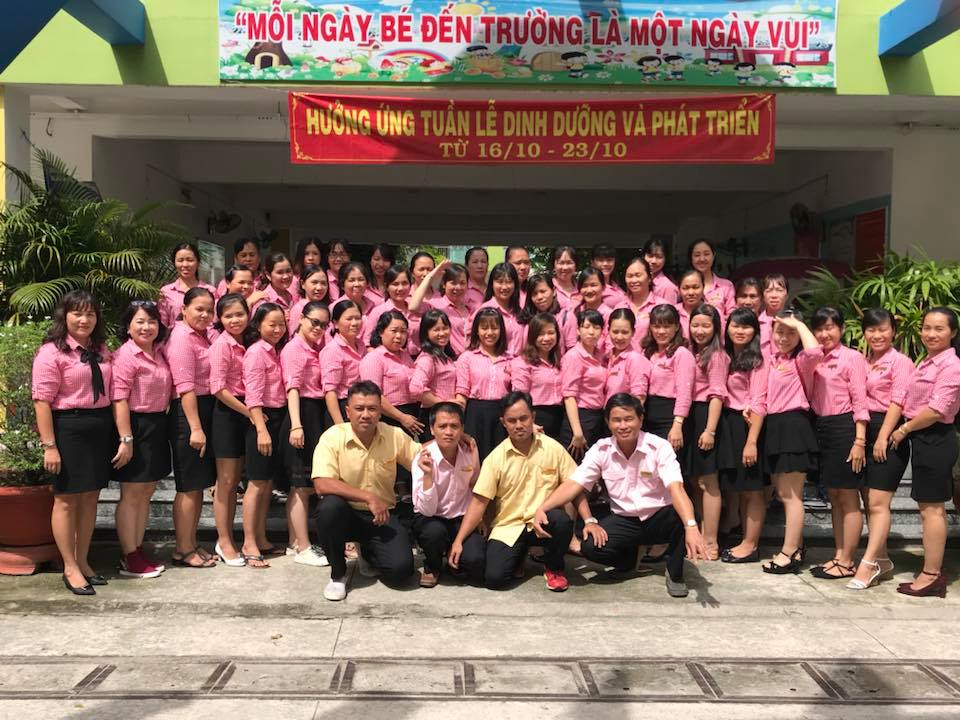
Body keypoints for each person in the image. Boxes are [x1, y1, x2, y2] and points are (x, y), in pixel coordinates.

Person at [536, 394, 710, 597]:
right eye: (617, 420)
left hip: (660, 516)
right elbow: (575, 484)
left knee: (685, 518)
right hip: (625, 520)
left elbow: (676, 488)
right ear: (608, 422)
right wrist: (543, 508)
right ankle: (628, 562)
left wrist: (691, 526)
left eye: (629, 419)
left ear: (641, 419)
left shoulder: (659, 447)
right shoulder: (601, 449)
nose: (623, 426)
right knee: (590, 546)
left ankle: (675, 573)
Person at [450, 391, 579, 591]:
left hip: (542, 521)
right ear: (503, 422)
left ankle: (554, 567)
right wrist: (458, 540)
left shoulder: (552, 448)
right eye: (512, 420)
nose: (519, 425)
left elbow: (575, 484)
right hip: (509, 526)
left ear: (533, 417)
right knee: (494, 579)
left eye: (523, 418)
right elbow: (478, 503)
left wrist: (589, 521)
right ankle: (518, 556)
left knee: (561, 521)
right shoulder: (495, 458)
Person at [33, 290, 117, 595]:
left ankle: (83, 560)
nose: (84, 320)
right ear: (64, 316)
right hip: (68, 429)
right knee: (67, 499)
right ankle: (69, 566)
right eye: (77, 313)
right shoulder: (51, 353)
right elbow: (41, 401)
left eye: (90, 313)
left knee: (91, 497)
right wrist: (49, 446)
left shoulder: (102, 350)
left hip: (100, 427)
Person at [312, 381, 423, 601]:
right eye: (359, 408)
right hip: (347, 514)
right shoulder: (332, 437)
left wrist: (457, 440)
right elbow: (321, 483)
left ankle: (369, 552)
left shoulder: (394, 435)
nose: (365, 415)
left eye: (372, 409)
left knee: (401, 573)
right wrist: (368, 496)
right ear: (348, 411)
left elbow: (421, 456)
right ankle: (338, 574)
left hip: (381, 516)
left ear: (380, 411)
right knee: (329, 508)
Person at [890, 307, 960, 598]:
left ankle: (932, 574)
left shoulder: (951, 365)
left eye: (939, 328)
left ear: (953, 332)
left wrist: (904, 429)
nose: (931, 333)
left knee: (932, 510)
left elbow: (937, 410)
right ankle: (931, 571)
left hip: (936, 438)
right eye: (927, 327)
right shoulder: (929, 362)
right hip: (925, 439)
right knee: (926, 508)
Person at [798, 307, 869, 580]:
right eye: (819, 328)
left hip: (845, 428)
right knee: (835, 497)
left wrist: (859, 440)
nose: (824, 334)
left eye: (830, 327)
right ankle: (839, 555)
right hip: (821, 427)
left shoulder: (852, 357)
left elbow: (859, 399)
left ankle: (848, 560)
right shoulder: (812, 358)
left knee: (848, 497)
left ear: (841, 329)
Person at [847, 309, 914, 589]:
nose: (877, 335)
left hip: (889, 431)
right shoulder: (862, 361)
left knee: (877, 503)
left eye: (883, 329)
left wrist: (883, 436)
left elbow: (898, 401)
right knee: (868, 501)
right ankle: (882, 559)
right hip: (865, 429)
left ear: (893, 332)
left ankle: (868, 564)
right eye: (871, 330)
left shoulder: (901, 362)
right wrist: (862, 438)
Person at [111, 300, 172, 579]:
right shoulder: (126, 356)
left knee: (146, 491)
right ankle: (129, 555)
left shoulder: (159, 352)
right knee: (132, 493)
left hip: (157, 424)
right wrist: (126, 439)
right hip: (135, 425)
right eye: (140, 321)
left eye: (152, 321)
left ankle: (137, 548)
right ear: (128, 326)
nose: (147, 327)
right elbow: (119, 399)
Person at [761, 311, 819, 574]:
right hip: (774, 427)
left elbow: (815, 351)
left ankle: (789, 552)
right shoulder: (773, 359)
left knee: (791, 495)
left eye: (790, 333)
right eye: (779, 332)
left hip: (793, 426)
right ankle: (797, 547)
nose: (783, 338)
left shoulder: (801, 361)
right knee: (783, 493)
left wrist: (798, 323)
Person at [166, 286, 219, 568]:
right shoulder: (181, 338)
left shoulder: (204, 336)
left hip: (204, 409)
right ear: (184, 309)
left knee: (198, 485)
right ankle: (183, 548)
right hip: (188, 413)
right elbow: (184, 387)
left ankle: (191, 542)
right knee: (188, 486)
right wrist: (195, 428)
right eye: (199, 309)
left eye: (209, 310)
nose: (205, 315)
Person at [411, 402, 485, 587]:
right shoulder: (423, 457)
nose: (449, 432)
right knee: (433, 534)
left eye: (454, 426)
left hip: (460, 516)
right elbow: (427, 510)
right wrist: (428, 475)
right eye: (442, 426)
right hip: (431, 517)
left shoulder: (470, 451)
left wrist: (479, 518)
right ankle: (432, 566)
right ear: (432, 429)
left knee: (476, 562)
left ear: (462, 429)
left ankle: (454, 563)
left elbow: (474, 485)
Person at [281, 300, 331, 569]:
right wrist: (297, 425)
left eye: (324, 325)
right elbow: (293, 389)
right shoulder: (294, 349)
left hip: (314, 414)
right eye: (315, 322)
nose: (319, 328)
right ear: (301, 318)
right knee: (300, 485)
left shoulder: (316, 348)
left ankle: (294, 542)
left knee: (304, 485)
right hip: (302, 414)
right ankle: (302, 546)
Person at [717, 308, 769, 564]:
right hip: (727, 423)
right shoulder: (725, 355)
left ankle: (750, 544)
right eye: (735, 325)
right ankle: (742, 537)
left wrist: (751, 442)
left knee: (752, 490)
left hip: (747, 426)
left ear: (755, 331)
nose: (740, 331)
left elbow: (759, 402)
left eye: (746, 326)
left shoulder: (757, 360)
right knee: (737, 487)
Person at [240, 303, 289, 568]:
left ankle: (260, 537)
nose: (277, 329)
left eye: (281, 324)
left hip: (277, 417)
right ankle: (248, 543)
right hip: (262, 420)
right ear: (258, 326)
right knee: (256, 483)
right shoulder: (256, 352)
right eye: (272, 324)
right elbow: (253, 396)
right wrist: (261, 429)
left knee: (267, 482)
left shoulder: (277, 351)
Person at [360, 311, 423, 504]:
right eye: (394, 331)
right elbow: (374, 395)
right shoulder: (374, 358)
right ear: (381, 332)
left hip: (410, 413)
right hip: (389, 416)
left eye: (403, 331)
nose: (399, 336)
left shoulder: (405, 356)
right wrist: (401, 417)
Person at [208, 293, 252, 567]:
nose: (235, 320)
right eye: (228, 316)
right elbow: (218, 388)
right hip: (228, 413)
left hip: (247, 410)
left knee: (235, 481)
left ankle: (230, 538)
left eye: (239, 314)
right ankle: (223, 540)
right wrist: (249, 412)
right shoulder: (221, 345)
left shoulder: (248, 342)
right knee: (225, 483)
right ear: (220, 319)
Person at [684, 304, 728, 560]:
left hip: (706, 416)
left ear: (716, 328)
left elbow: (717, 394)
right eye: (695, 325)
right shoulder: (690, 351)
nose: (699, 331)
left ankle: (711, 540)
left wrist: (710, 430)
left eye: (706, 326)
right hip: (690, 415)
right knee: (694, 480)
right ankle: (700, 534)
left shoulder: (717, 355)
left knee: (709, 481)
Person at [455, 308, 512, 461]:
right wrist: (458, 425)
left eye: (494, 328)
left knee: (501, 460)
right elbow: (461, 394)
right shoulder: (467, 358)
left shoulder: (510, 359)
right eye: (484, 328)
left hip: (502, 415)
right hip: (475, 414)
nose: (489, 332)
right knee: (475, 460)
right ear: (476, 330)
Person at [641, 304, 695, 456]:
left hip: (669, 417)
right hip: (647, 415)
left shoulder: (681, 354)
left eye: (666, 326)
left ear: (676, 327)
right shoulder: (647, 352)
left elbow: (684, 392)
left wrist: (677, 425)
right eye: (656, 326)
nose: (661, 331)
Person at [560, 309, 609, 459]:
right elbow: (569, 396)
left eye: (596, 327)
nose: (591, 332)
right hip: (580, 418)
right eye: (586, 327)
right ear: (578, 330)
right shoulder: (574, 356)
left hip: (597, 417)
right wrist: (577, 432)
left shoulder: (600, 355)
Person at [511, 313, 564, 438]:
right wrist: (529, 424)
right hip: (536, 417)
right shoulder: (523, 362)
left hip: (560, 418)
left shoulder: (559, 361)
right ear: (533, 336)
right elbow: (520, 397)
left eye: (551, 333)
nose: (546, 338)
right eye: (541, 334)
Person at [411, 310, 458, 436]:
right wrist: (442, 403)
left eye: (445, 328)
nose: (442, 333)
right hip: (433, 415)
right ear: (426, 333)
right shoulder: (427, 358)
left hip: (447, 414)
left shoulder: (446, 356)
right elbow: (416, 388)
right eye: (436, 330)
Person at [319, 299, 364, 426]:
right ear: (336, 323)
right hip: (342, 408)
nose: (354, 323)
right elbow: (330, 391)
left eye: (358, 318)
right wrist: (340, 424)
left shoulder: (361, 345)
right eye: (349, 319)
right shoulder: (333, 350)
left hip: (362, 404)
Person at [410, 262, 471, 355]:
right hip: (448, 359)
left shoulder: (471, 308)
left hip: (470, 361)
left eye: (462, 283)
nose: (458, 287)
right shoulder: (436, 305)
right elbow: (413, 307)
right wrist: (430, 276)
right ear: (444, 284)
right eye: (453, 283)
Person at [364, 265, 423, 354]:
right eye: (395, 284)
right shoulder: (378, 312)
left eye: (404, 283)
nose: (400, 288)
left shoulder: (416, 309)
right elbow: (367, 344)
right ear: (386, 286)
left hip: (416, 359)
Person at [158, 242, 216, 329]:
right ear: (174, 263)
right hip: (175, 337)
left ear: (198, 262)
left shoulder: (210, 291)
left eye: (190, 260)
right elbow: (163, 324)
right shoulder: (166, 291)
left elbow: (213, 322)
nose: (185, 265)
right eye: (180, 260)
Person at [560, 267, 613, 352]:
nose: (589, 290)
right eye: (585, 286)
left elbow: (610, 348)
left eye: (593, 285)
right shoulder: (573, 312)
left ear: (603, 287)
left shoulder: (609, 315)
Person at [606, 308, 651, 404]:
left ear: (633, 332)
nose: (619, 337)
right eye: (615, 332)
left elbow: (639, 398)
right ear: (608, 330)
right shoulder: (606, 356)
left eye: (625, 332)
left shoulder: (635, 359)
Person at [477, 262, 524, 355]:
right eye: (500, 282)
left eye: (509, 282)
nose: (504, 287)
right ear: (492, 284)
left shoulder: (520, 311)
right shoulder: (485, 310)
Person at [689, 239, 735, 317]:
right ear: (691, 258)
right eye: (697, 255)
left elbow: (733, 316)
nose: (702, 259)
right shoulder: (684, 287)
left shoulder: (726, 286)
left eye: (706, 254)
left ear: (713, 256)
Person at [623, 256, 659, 348]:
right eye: (629, 276)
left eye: (638, 275)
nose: (634, 280)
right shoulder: (620, 307)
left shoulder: (661, 306)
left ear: (649, 278)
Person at [251, 252, 295, 322]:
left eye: (288, 271)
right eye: (280, 272)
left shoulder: (291, 295)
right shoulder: (263, 301)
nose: (286, 276)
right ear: (268, 275)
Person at [288, 264, 330, 337]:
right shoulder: (298, 310)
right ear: (303, 284)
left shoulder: (326, 308)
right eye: (314, 282)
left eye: (323, 283)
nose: (319, 287)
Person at [759, 274, 789, 356]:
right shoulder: (755, 323)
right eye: (769, 291)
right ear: (763, 296)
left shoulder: (795, 322)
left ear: (787, 295)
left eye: (779, 290)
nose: (774, 295)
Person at [591, 244, 629, 309]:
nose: (605, 264)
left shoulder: (617, 285)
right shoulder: (590, 287)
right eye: (601, 260)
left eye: (609, 260)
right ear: (592, 263)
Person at [675, 269, 708, 340]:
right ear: (679, 289)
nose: (691, 293)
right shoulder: (673, 312)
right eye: (685, 288)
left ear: (703, 287)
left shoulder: (713, 312)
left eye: (695, 287)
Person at [643, 238, 678, 303]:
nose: (653, 261)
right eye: (650, 256)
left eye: (659, 257)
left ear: (666, 259)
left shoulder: (668, 287)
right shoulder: (638, 280)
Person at [464, 246, 489, 311]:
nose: (480, 266)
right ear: (466, 266)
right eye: (475, 262)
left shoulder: (493, 289)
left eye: (483, 262)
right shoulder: (462, 290)